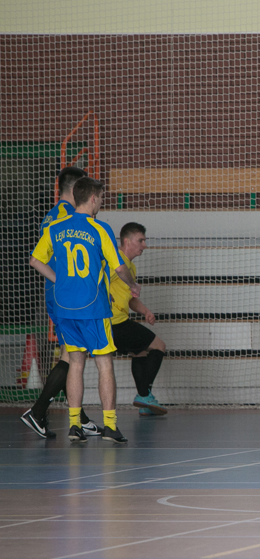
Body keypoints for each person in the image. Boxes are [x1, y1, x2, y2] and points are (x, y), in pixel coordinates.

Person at [28, 177, 141, 443]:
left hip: (64, 307)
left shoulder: (55, 227)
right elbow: (119, 267)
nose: (100, 202)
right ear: (92, 198)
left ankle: (74, 426)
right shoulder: (99, 228)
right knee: (104, 364)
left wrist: (60, 280)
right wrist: (132, 285)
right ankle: (110, 426)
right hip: (93, 308)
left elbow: (35, 260)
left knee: (75, 363)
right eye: (100, 198)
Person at [20, 166, 101, 439]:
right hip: (66, 295)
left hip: (57, 293)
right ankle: (37, 411)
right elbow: (39, 259)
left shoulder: (51, 215)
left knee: (73, 354)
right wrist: (64, 281)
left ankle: (80, 418)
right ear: (77, 188)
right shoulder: (68, 216)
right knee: (72, 356)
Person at [108, 222, 168, 415]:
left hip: (118, 321)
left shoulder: (130, 267)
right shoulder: (115, 262)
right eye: (140, 241)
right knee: (159, 346)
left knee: (140, 352)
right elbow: (98, 283)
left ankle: (145, 400)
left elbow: (130, 299)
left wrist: (145, 312)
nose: (144, 245)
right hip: (113, 322)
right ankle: (144, 396)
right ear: (127, 241)